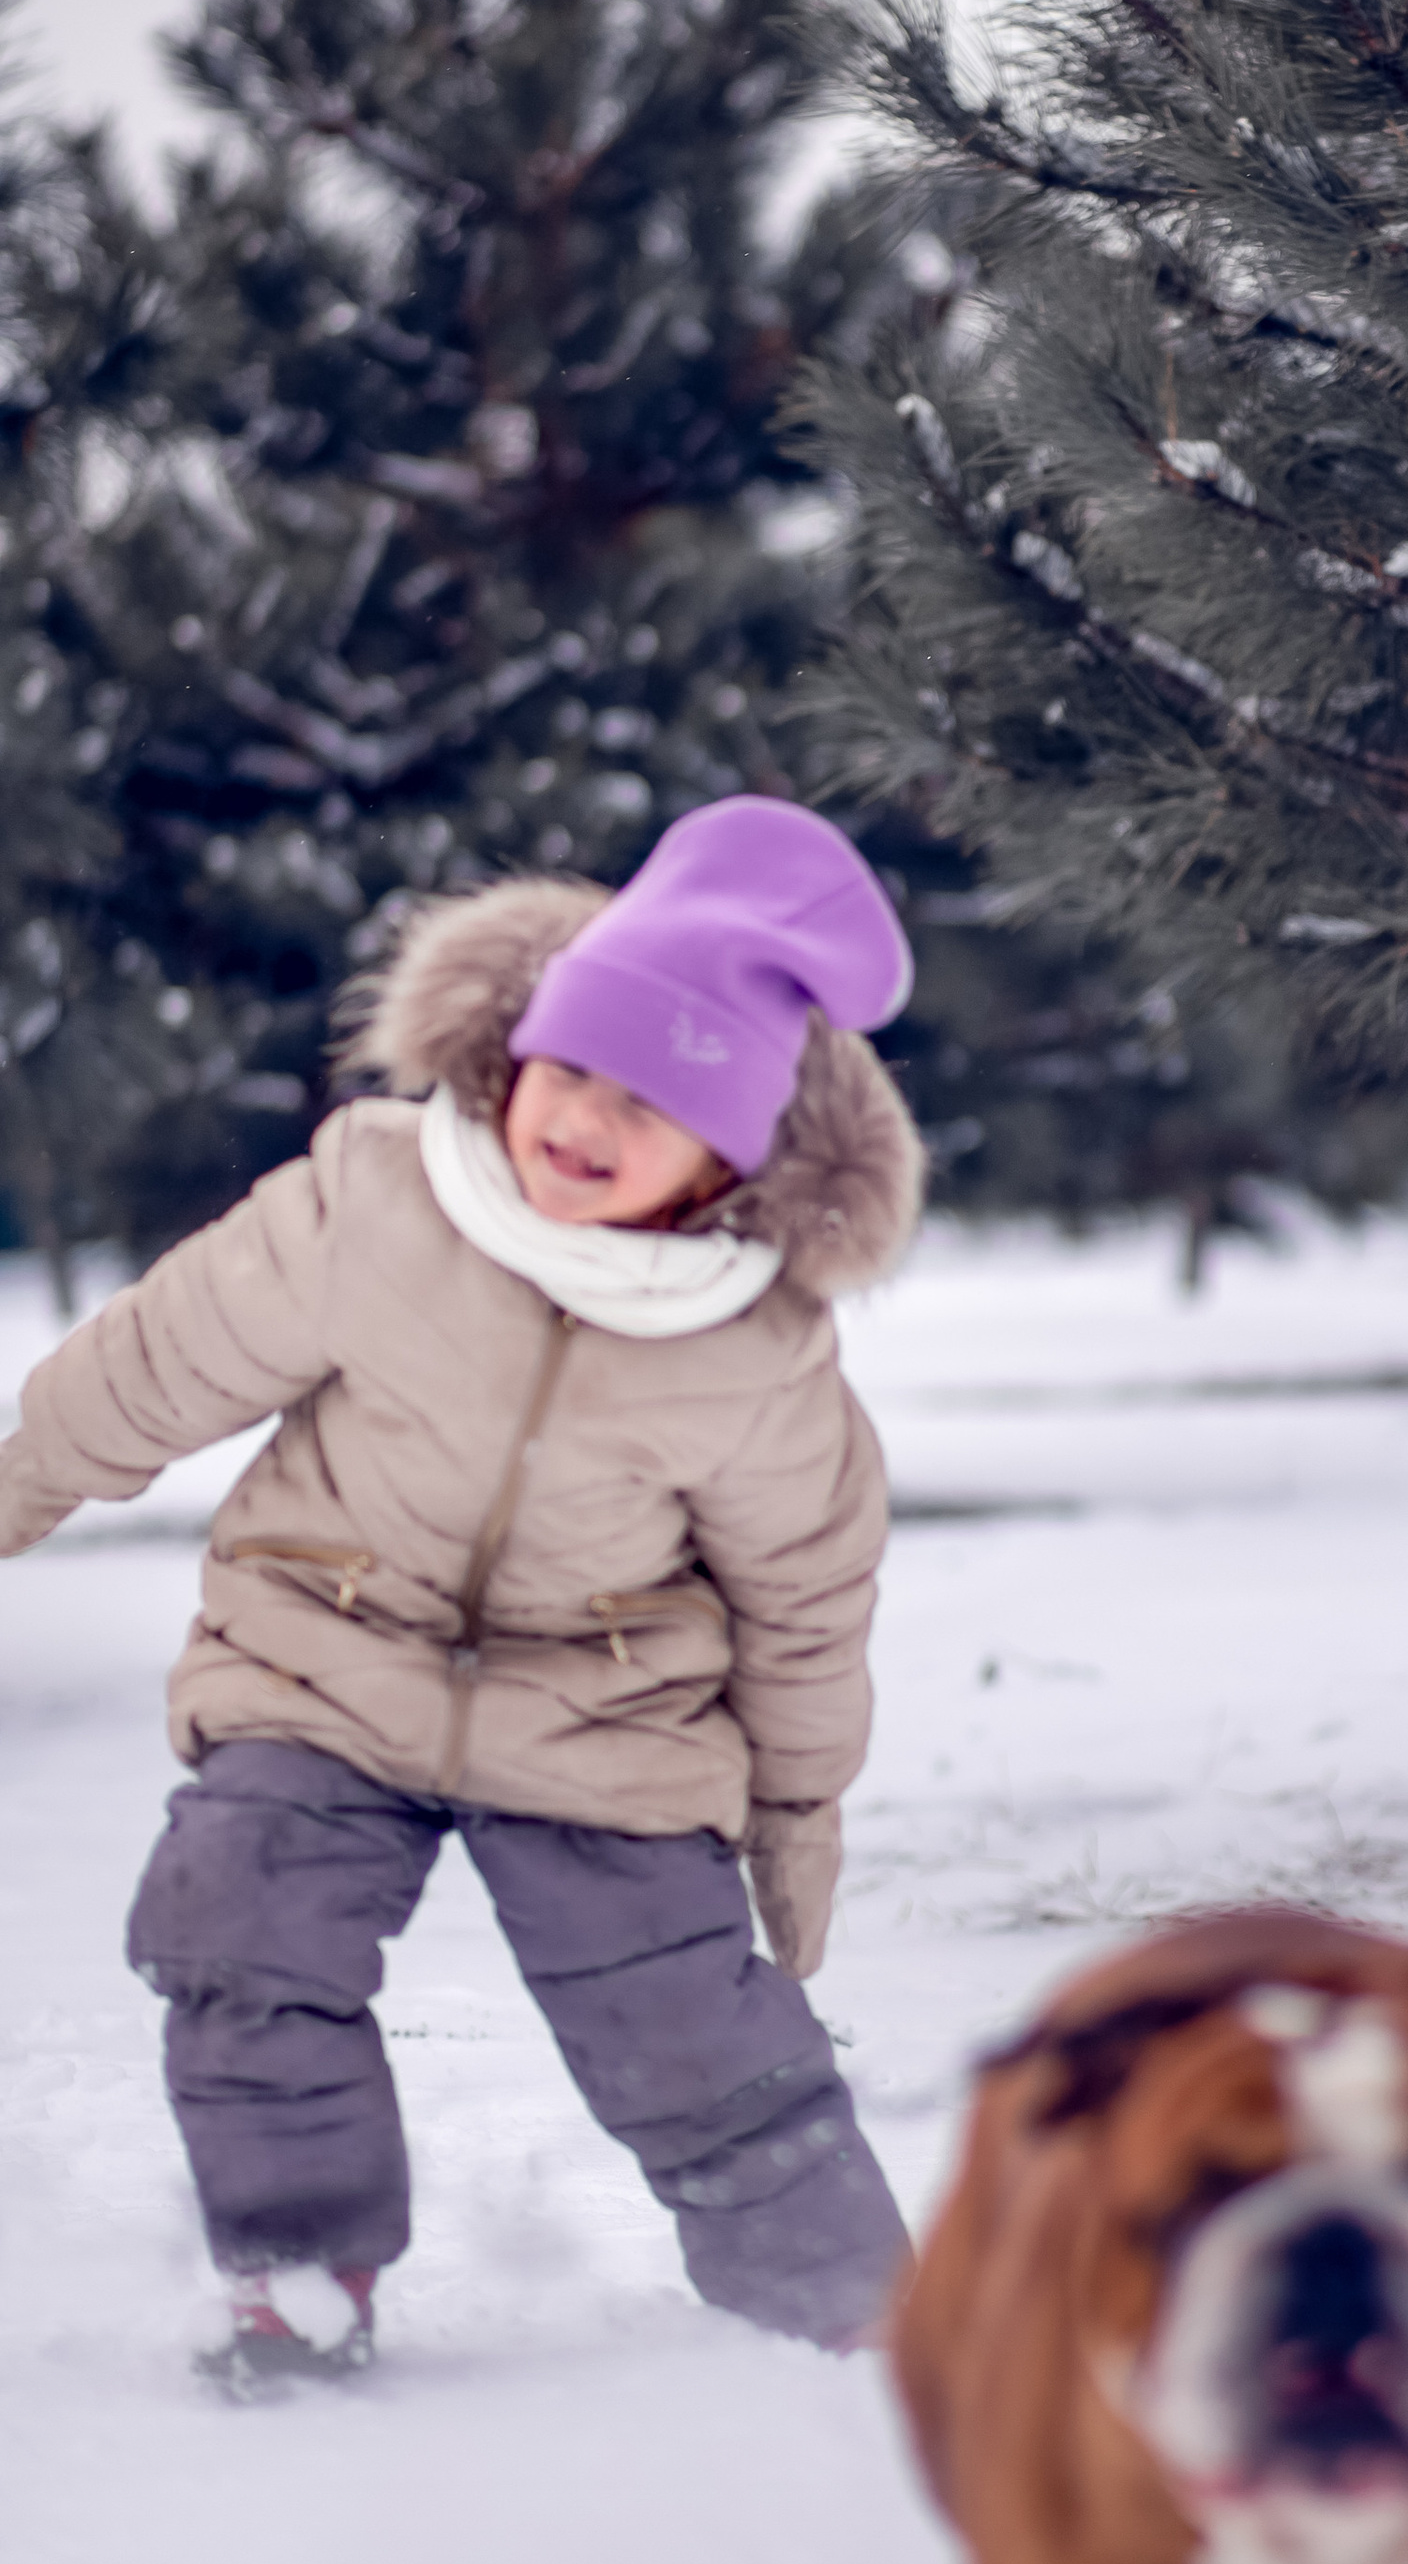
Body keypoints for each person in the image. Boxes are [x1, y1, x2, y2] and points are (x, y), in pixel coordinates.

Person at [0, 797, 926, 2389]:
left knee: (697, 2032)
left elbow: (805, 1604)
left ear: (734, 1150)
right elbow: (158, 1364)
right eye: (571, 1065)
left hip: (606, 1715)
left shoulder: (757, 1353)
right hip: (324, 1657)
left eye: (650, 1094)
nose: (582, 1114)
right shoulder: (376, 1204)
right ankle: (300, 2267)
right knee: (238, 1918)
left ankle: (855, 2317)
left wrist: (794, 1817)